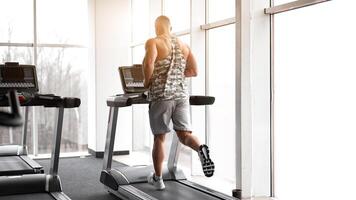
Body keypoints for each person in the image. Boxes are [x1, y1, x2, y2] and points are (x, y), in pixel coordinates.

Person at [142, 15, 215, 191]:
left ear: (156, 27)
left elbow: (149, 64)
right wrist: (175, 76)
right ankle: (200, 149)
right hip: (181, 95)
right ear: (170, 27)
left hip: (162, 96)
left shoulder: (153, 42)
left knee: (159, 138)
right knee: (185, 135)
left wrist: (147, 84)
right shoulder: (184, 45)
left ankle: (158, 179)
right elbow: (193, 71)